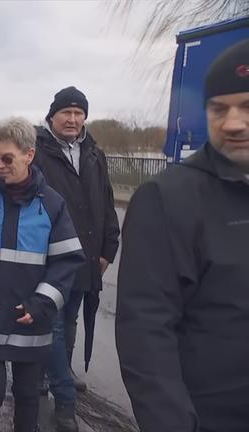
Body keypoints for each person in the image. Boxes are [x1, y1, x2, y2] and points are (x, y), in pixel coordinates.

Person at [116, 39, 249, 432]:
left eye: (247, 106)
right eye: (219, 109)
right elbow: (145, 333)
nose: (233, 123)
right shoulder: (167, 198)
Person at [0, 117, 84, 432]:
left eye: (7, 158)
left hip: (30, 317)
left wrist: (42, 303)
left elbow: (67, 260)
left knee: (27, 393)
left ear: (29, 155)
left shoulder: (50, 204)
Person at [33, 86, 120, 431]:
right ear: (52, 116)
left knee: (68, 321)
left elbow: (107, 202)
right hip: (50, 256)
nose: (72, 119)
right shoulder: (37, 152)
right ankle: (64, 395)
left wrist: (107, 250)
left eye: (78, 113)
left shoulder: (94, 153)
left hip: (86, 257)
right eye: (65, 113)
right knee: (52, 325)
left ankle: (55, 370)